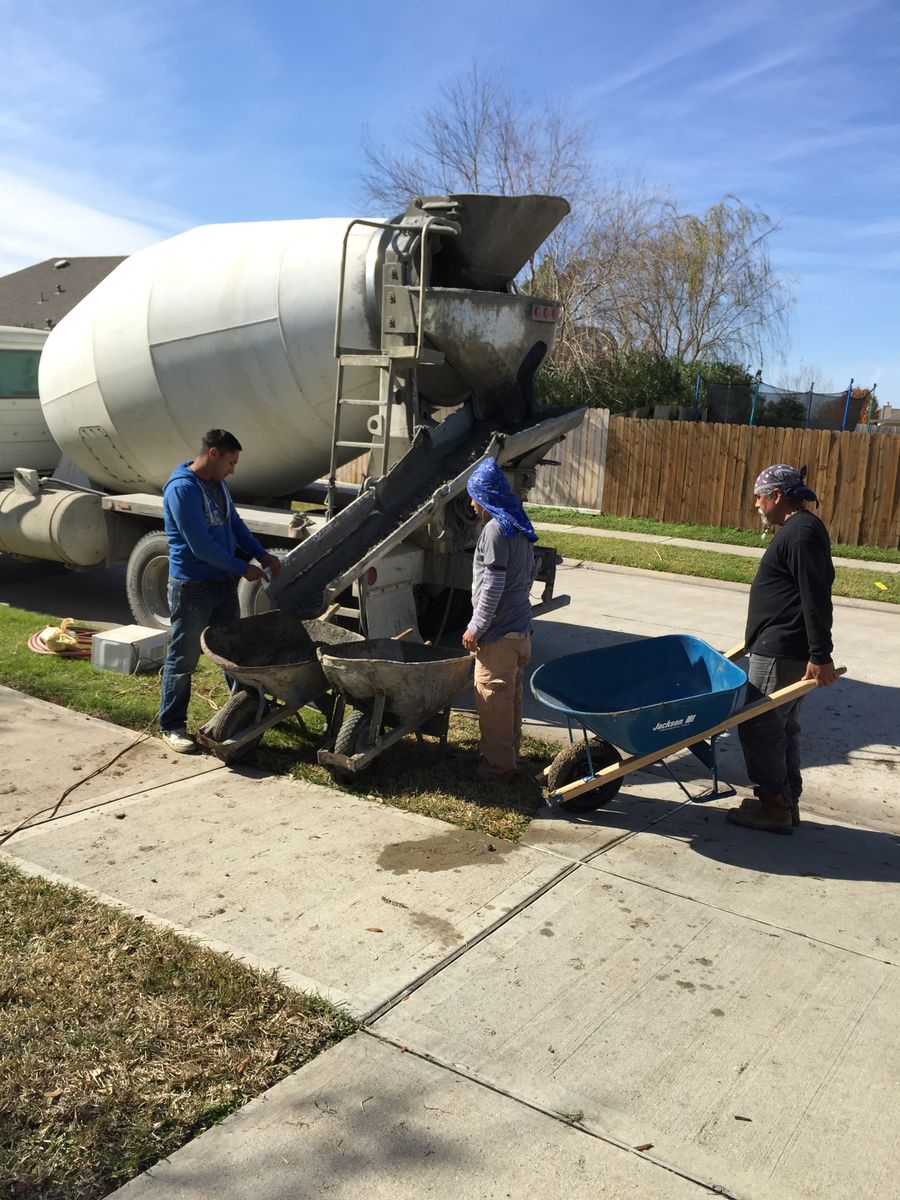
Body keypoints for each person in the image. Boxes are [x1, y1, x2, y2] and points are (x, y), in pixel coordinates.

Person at [729, 463, 839, 835]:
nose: (756, 505)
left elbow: (815, 597)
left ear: (777, 496)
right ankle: (783, 799)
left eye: (759, 496)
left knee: (759, 725)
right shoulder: (797, 529)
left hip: (781, 651)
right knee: (782, 726)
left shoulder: (802, 533)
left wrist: (821, 655)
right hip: (777, 645)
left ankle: (774, 804)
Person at [157, 429, 282, 753]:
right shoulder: (182, 490)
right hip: (193, 587)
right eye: (230, 461)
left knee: (233, 655)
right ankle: (172, 726)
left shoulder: (218, 485)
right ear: (213, 454)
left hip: (221, 584)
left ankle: (243, 716)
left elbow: (235, 526)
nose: (232, 469)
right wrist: (243, 568)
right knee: (183, 658)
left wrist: (262, 554)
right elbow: (200, 546)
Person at [462, 457, 538, 782]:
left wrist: (476, 627)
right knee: (510, 701)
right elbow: (530, 573)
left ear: (486, 498)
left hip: (499, 636)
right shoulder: (519, 524)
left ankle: (498, 770)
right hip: (520, 631)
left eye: (475, 496)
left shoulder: (495, 531)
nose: (471, 503)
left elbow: (492, 585)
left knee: (493, 702)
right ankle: (509, 757)